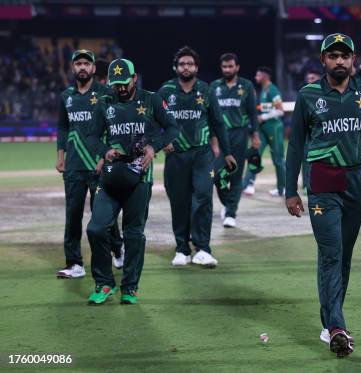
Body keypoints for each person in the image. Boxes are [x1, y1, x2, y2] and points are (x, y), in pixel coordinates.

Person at [285, 33, 361, 358]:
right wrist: (290, 190)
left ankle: (330, 320)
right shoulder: (307, 95)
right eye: (332, 56)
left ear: (352, 60)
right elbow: (295, 147)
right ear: (323, 61)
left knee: (343, 255)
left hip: (356, 181)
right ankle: (336, 326)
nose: (339, 61)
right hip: (322, 180)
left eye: (344, 56)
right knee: (332, 252)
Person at [85, 58, 178, 305]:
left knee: (133, 233)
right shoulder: (105, 103)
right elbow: (92, 136)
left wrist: (153, 146)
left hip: (140, 177)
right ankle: (105, 283)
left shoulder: (152, 100)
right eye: (116, 84)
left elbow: (172, 129)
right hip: (111, 175)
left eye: (125, 83)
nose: (121, 89)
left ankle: (130, 287)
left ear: (134, 78)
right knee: (95, 228)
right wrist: (104, 151)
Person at [157, 46, 235, 267]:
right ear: (176, 67)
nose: (186, 67)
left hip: (203, 155)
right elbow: (152, 122)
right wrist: (162, 142)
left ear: (196, 67)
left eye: (190, 63)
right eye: (182, 63)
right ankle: (182, 249)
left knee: (203, 196)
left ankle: (202, 248)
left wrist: (227, 153)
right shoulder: (166, 91)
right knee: (179, 202)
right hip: (176, 157)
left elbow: (218, 123)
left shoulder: (206, 90)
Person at [55, 49, 124, 279]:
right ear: (73, 68)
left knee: (103, 214)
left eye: (86, 63)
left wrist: (105, 156)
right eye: (78, 64)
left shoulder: (106, 93)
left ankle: (117, 248)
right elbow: (63, 127)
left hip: (98, 165)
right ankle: (75, 263)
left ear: (94, 68)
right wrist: (60, 156)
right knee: (72, 215)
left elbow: (114, 125)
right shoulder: (66, 96)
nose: (82, 67)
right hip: (74, 166)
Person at [210, 53, 260, 228]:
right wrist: (213, 138)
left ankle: (231, 212)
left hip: (239, 134)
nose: (227, 69)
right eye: (224, 67)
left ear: (237, 67)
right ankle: (227, 203)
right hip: (219, 135)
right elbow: (209, 114)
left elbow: (253, 112)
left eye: (230, 66)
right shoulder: (214, 86)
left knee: (236, 174)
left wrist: (255, 135)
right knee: (217, 175)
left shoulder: (246, 85)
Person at [242, 66, 285, 197]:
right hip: (263, 129)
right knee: (255, 154)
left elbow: (280, 110)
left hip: (274, 128)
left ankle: (282, 188)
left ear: (265, 76)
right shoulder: (263, 91)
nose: (256, 77)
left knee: (278, 160)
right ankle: (247, 185)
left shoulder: (272, 90)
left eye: (258, 75)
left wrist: (262, 117)